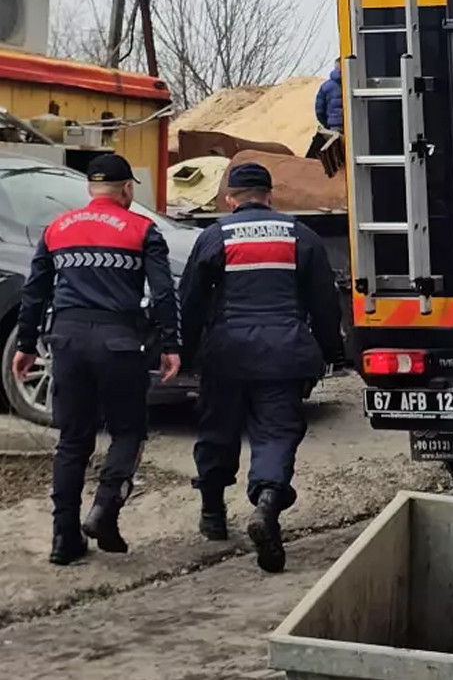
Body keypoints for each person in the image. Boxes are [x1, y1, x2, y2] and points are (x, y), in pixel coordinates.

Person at [11, 154, 181, 565]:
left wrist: (27, 343)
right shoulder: (143, 229)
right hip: (119, 343)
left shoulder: (57, 229)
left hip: (65, 342)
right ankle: (105, 506)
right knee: (128, 431)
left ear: (90, 188)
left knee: (72, 440)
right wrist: (172, 345)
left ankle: (63, 539)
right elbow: (162, 293)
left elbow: (35, 291)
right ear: (127, 189)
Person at [180, 163, 345, 573]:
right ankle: (267, 506)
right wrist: (332, 351)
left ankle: (213, 516)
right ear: (270, 195)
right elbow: (325, 302)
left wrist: (184, 352)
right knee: (275, 435)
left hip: (226, 356)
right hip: (284, 355)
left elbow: (192, 302)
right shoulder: (299, 236)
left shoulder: (214, 236)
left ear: (230, 199)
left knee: (218, 431)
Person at [314, 63, 343, 133]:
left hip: (335, 126)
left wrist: (327, 124)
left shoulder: (326, 86)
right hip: (356, 125)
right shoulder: (356, 83)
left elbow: (319, 111)